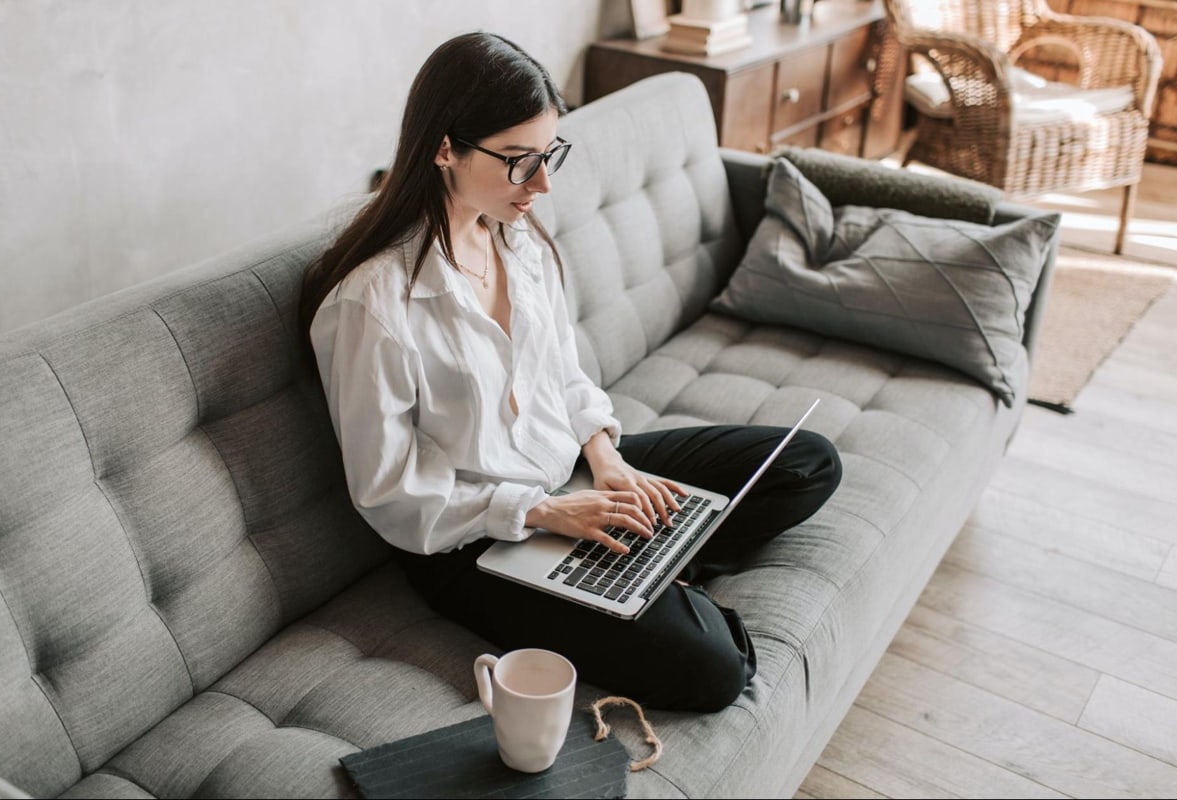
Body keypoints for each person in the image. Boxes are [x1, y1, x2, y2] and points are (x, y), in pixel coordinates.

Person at [299, 32, 841, 712]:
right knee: (715, 672)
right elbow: (390, 494)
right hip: (474, 540)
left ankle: (643, 563)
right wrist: (545, 513)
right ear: (445, 149)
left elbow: (564, 372)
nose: (544, 183)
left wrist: (606, 457)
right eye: (521, 162)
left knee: (807, 463)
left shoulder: (514, 237)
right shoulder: (373, 303)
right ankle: (647, 573)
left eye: (549, 154)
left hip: (571, 476)